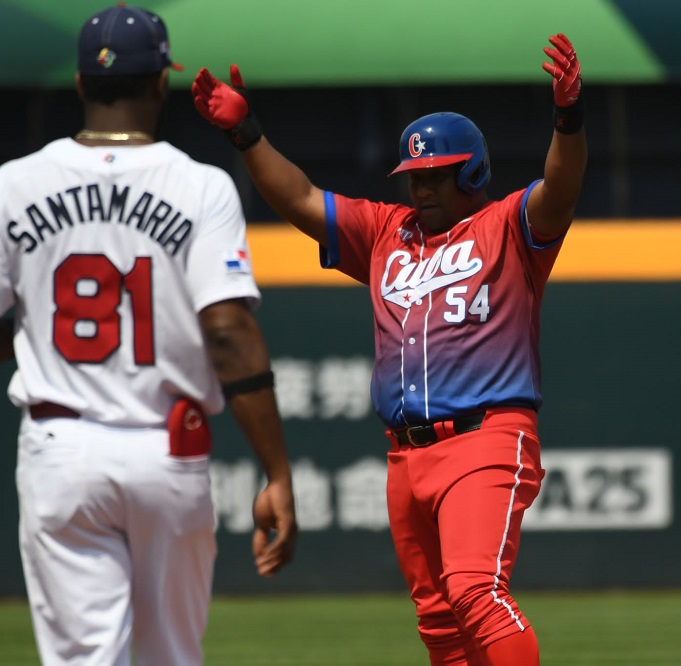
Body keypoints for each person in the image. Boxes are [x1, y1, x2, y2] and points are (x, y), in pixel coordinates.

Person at [191, 32, 585, 665]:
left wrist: (568, 118)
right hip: (406, 455)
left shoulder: (508, 226)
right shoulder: (386, 231)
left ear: (472, 172)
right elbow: (296, 197)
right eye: (414, 176)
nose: (421, 188)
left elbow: (561, 188)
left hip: (486, 434)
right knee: (438, 622)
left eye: (436, 175)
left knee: (475, 593)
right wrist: (248, 134)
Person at [0, 4, 298, 665]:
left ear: (80, 84)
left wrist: (34, 335)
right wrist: (276, 469)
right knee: (171, 657)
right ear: (160, 84)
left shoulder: (12, 186)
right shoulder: (200, 186)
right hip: (167, 446)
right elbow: (226, 331)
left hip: (60, 443)